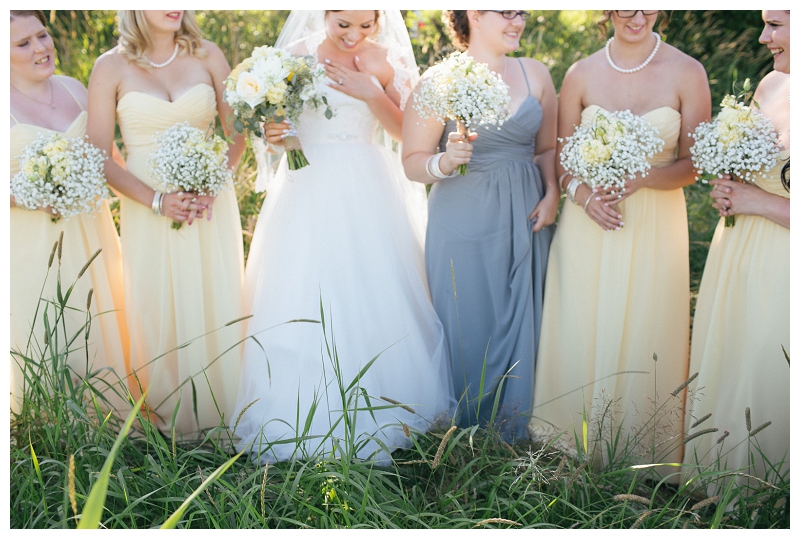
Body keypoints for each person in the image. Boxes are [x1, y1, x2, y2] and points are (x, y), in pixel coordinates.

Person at [231, 10, 454, 464]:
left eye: (365, 25)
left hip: (366, 184)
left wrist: (372, 93)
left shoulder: (386, 60)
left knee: (369, 290)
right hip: (304, 185)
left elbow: (404, 132)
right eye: (343, 24)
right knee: (302, 289)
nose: (354, 36)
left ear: (378, 19)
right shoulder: (293, 58)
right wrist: (275, 133)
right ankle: (295, 410)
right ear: (324, 13)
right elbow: (275, 129)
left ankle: (383, 403)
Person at [529, 10, 711, 468]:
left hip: (656, 221)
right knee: (584, 316)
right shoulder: (581, 73)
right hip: (589, 222)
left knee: (649, 318)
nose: (636, 14)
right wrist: (585, 198)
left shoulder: (688, 72)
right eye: (624, 4)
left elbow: (694, 164)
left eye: (647, 3)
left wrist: (647, 176)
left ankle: (642, 448)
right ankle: (566, 438)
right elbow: (564, 158)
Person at [86, 10, 247, 436]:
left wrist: (214, 184)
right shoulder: (110, 67)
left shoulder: (208, 55)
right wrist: (157, 201)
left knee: (215, 294)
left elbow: (236, 133)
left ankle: (223, 408)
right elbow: (100, 155)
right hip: (147, 208)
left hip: (209, 203)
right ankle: (169, 414)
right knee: (155, 304)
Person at [402, 10, 558, 442]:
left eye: (522, 12)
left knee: (525, 311)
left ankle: (517, 426)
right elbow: (413, 163)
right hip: (463, 213)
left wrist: (553, 193)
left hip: (528, 211)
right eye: (505, 10)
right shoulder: (438, 81)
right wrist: (447, 160)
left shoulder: (536, 74)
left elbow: (547, 148)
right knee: (465, 313)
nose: (517, 21)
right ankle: (461, 430)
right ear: (473, 11)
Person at [683, 10, 790, 492]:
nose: (765, 36)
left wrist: (759, 201)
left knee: (770, 365)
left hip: (785, 260)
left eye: (777, 24)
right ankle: (721, 481)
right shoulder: (769, 87)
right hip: (738, 249)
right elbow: (753, 167)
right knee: (733, 358)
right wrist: (730, 188)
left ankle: (769, 492)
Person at [9, 10, 129, 414]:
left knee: (96, 322)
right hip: (31, 245)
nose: (41, 48)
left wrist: (153, 201)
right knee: (45, 334)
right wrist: (28, 194)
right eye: (23, 43)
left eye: (42, 35)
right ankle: (48, 431)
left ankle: (110, 421)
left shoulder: (77, 89)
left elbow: (109, 159)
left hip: (92, 235)